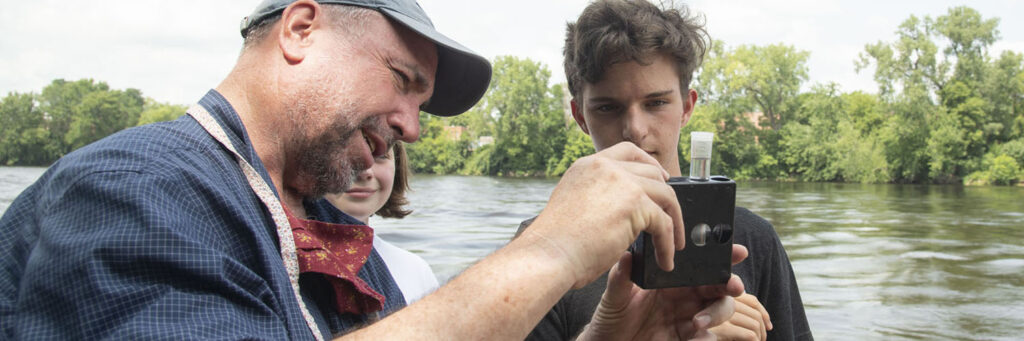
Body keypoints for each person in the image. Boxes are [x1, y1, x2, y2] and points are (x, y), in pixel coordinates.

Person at [0, 0, 745, 339]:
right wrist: (548, 250)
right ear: (300, 29)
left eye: (422, 101)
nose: (412, 126)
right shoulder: (136, 189)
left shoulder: (336, 238)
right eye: (401, 77)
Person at [516, 1, 813, 340]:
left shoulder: (754, 239)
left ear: (687, 107)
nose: (635, 129)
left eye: (656, 103)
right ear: (580, 116)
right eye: (607, 107)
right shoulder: (541, 248)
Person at [324, 143, 438, 304]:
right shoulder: (283, 266)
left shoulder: (415, 271)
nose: (365, 172)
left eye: (380, 155)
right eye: (344, 154)